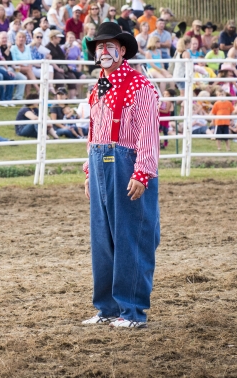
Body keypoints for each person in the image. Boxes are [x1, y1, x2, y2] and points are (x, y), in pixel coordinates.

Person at [80, 21, 159, 329]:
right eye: (99, 46)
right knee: (103, 239)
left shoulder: (140, 86)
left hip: (127, 163)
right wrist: (89, 169)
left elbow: (148, 131)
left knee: (130, 237)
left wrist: (143, 171)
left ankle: (132, 311)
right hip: (101, 163)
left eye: (110, 45)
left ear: (122, 50)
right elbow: (92, 132)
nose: (104, 51)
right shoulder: (97, 89)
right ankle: (107, 308)